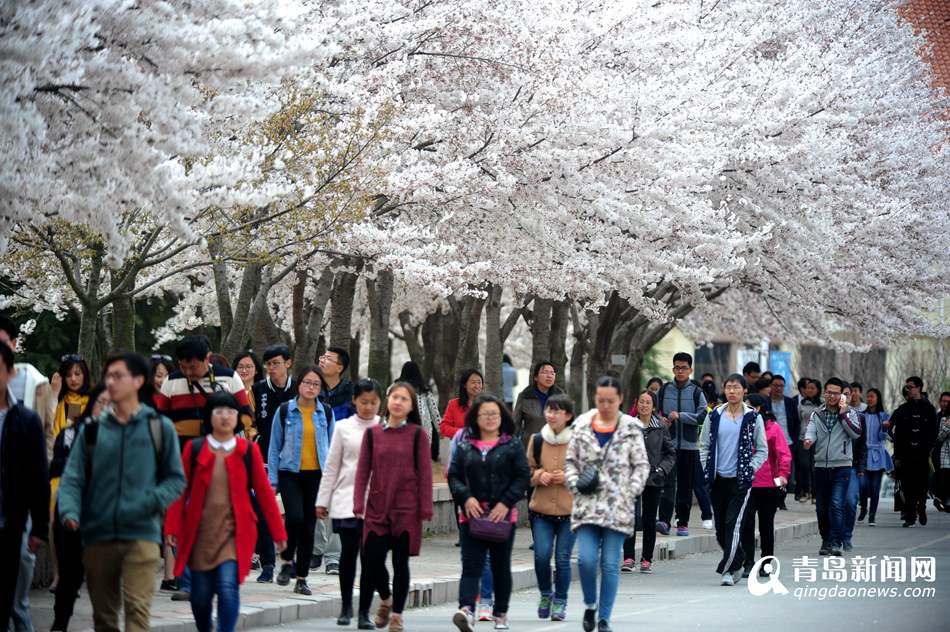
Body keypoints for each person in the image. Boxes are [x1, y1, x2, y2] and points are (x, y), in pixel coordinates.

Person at [57, 352, 185, 632]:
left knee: (137, 613)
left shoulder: (158, 427)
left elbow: (175, 479)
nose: (110, 382)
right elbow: (72, 479)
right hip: (98, 536)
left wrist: (149, 502)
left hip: (141, 536)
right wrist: (69, 511)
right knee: (103, 618)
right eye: (108, 376)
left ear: (139, 381)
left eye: (118, 376)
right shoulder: (91, 431)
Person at [165, 392, 287, 632]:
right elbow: (178, 491)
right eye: (218, 411)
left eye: (230, 412)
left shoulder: (248, 451)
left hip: (234, 533)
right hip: (200, 535)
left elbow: (264, 494)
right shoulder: (195, 448)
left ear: (237, 418)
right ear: (209, 417)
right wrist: (171, 526)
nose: (225, 417)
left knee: (228, 588)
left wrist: (279, 533)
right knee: (200, 597)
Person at [564, 376, 650, 632]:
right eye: (600, 400)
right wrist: (574, 483)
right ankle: (591, 604)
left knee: (611, 563)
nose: (605, 405)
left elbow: (641, 465)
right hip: (587, 506)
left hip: (618, 507)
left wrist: (632, 490)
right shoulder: (581, 425)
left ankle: (604, 618)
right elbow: (570, 462)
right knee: (587, 560)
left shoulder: (631, 428)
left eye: (610, 400)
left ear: (621, 399)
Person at [354, 382, 433, 632]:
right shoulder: (373, 434)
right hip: (377, 507)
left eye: (404, 399)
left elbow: (425, 473)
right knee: (372, 559)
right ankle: (385, 599)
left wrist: (425, 507)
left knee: (401, 564)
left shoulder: (418, 435)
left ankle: (397, 614)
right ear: (388, 401)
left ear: (411, 407)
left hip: (406, 509)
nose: (398, 402)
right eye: (395, 397)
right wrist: (358, 502)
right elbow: (362, 471)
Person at [450, 393, 530, 632]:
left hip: (502, 516)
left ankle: (501, 613)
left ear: (501, 416)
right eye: (484, 414)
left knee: (500, 566)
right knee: (471, 564)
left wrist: (505, 503)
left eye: (494, 413)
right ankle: (466, 610)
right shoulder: (465, 445)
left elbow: (522, 476)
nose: (489, 418)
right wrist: (466, 497)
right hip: (471, 515)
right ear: (475, 417)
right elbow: (453, 476)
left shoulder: (512, 444)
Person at [316, 379, 382, 627]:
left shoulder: (384, 428)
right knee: (348, 554)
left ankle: (365, 611)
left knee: (371, 559)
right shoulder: (343, 428)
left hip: (376, 504)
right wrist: (323, 500)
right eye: (363, 401)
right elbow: (332, 467)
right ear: (354, 400)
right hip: (346, 500)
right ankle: (346, 607)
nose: (368, 407)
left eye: (373, 402)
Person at [267, 365, 335, 595]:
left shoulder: (325, 412)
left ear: (320, 388)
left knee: (309, 528)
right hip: (290, 473)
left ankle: (301, 578)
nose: (311, 387)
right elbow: (274, 446)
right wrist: (272, 479)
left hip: (317, 475)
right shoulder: (285, 410)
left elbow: (332, 447)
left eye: (316, 384)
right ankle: (287, 562)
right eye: (307, 382)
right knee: (294, 517)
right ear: (299, 384)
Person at [699, 374, 768, 586]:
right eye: (728, 387)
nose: (732, 391)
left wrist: (750, 469)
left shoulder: (753, 417)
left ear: (744, 390)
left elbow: (762, 450)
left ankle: (727, 570)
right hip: (717, 480)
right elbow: (704, 445)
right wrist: (706, 468)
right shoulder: (715, 416)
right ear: (723, 389)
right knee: (721, 529)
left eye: (736, 387)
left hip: (740, 481)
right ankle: (738, 560)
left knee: (733, 524)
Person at [49, 385, 108, 631]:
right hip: (73, 515)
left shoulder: (128, 438)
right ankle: (60, 623)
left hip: (105, 521)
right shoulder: (72, 433)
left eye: (112, 403)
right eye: (101, 402)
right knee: (69, 580)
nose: (106, 408)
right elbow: (56, 468)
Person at [0, 340, 49, 632]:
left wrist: (39, 527)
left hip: (10, 521)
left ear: (10, 373)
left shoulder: (25, 421)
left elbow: (37, 477)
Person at [526, 394, 577, 620]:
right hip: (541, 511)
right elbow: (526, 471)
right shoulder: (537, 440)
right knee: (541, 555)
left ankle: (560, 602)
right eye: (549, 410)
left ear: (567, 416)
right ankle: (546, 593)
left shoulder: (579, 441)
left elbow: (588, 473)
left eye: (556, 411)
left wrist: (568, 477)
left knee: (563, 558)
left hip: (570, 511)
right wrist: (539, 475)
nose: (551, 415)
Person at [156, 335, 252, 450]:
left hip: (221, 451)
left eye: (193, 367)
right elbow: (161, 420)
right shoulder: (171, 381)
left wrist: (225, 435)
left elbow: (246, 416)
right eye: (183, 367)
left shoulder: (230, 377)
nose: (188, 372)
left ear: (207, 358)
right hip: (181, 452)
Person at [803, 377, 862, 556]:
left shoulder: (850, 413)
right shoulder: (817, 413)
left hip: (842, 466)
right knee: (821, 507)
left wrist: (843, 414)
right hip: (821, 466)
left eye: (836, 393)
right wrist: (808, 440)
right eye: (829, 392)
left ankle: (836, 541)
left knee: (836, 504)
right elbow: (811, 431)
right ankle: (826, 540)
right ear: (824, 393)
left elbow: (856, 433)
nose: (831, 396)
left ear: (841, 395)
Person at [655, 352, 711, 537]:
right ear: (673, 369)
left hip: (689, 446)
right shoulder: (664, 390)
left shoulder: (696, 392)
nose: (680, 371)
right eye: (677, 367)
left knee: (685, 486)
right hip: (668, 445)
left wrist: (681, 416)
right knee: (668, 483)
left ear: (690, 370)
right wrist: (661, 420)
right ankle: (664, 520)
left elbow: (703, 415)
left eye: (684, 368)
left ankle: (683, 522)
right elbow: (654, 412)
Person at [622, 390, 675, 574]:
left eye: (648, 402)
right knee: (630, 518)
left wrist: (661, 470)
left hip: (653, 478)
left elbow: (670, 453)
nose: (644, 405)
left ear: (654, 406)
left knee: (649, 519)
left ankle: (647, 559)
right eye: (641, 402)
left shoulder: (661, 426)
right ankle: (628, 557)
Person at [740, 395, 791, 578]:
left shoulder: (773, 428)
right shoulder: (741, 425)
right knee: (746, 523)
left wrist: (782, 477)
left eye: (748, 406)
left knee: (766, 526)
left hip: (769, 485)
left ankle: (766, 562)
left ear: (759, 409)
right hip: (746, 483)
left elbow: (784, 455)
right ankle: (748, 562)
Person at [0, 316, 56, 455]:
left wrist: (44, 462)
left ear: (14, 344)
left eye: (1, 343)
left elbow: (49, 431)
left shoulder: (38, 383)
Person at [888, 376, 938, 527]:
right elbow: (891, 427)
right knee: (908, 486)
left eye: (911, 387)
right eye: (907, 387)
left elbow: (934, 431)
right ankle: (910, 515)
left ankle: (921, 508)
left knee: (922, 485)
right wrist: (896, 448)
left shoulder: (929, 409)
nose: (908, 390)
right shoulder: (902, 409)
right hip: (906, 454)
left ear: (919, 388)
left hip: (922, 454)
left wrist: (928, 447)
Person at [858, 388, 892, 525]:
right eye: (868, 397)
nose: (869, 399)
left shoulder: (884, 416)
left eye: (872, 396)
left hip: (878, 455)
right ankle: (864, 508)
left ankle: (872, 515)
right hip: (864, 454)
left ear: (878, 398)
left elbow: (883, 437)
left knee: (875, 487)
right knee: (863, 485)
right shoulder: (861, 415)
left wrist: (885, 428)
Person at [839, 383, 867, 552]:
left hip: (851, 467)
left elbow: (862, 445)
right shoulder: (823, 415)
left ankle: (846, 536)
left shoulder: (858, 417)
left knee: (850, 501)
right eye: (840, 394)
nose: (843, 397)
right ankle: (834, 537)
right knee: (834, 504)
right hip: (831, 466)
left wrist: (861, 467)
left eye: (846, 394)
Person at [396, 361, 441, 461]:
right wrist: (440, 428)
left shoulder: (396, 388)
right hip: (422, 423)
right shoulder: (424, 390)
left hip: (402, 422)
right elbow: (434, 411)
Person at [513, 360, 564, 447]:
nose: (549, 376)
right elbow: (515, 425)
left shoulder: (561, 397)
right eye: (545, 373)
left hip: (554, 446)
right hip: (529, 445)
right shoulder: (525, 396)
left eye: (552, 373)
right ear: (536, 377)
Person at [768, 374, 800, 509]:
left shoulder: (790, 402)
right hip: (770, 443)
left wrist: (795, 439)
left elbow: (796, 423)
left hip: (788, 442)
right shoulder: (765, 401)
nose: (778, 388)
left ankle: (781, 497)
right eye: (775, 385)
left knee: (785, 472)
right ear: (771, 386)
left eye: (781, 386)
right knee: (773, 472)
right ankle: (775, 496)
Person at [794, 378, 821, 502]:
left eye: (812, 388)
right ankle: (804, 491)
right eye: (808, 388)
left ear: (818, 390)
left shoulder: (822, 405)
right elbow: (799, 420)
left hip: (818, 439)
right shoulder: (801, 404)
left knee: (815, 467)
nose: (809, 390)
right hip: (803, 438)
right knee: (803, 465)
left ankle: (815, 494)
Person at [440, 368, 484, 439]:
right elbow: (444, 427)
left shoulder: (488, 404)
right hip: (460, 446)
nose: (477, 386)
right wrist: (463, 433)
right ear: (464, 385)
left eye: (479, 382)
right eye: (473, 382)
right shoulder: (454, 404)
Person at [319, 346, 356, 421]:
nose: (322, 361)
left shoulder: (349, 392)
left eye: (328, 359)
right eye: (323, 357)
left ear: (339, 368)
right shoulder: (312, 387)